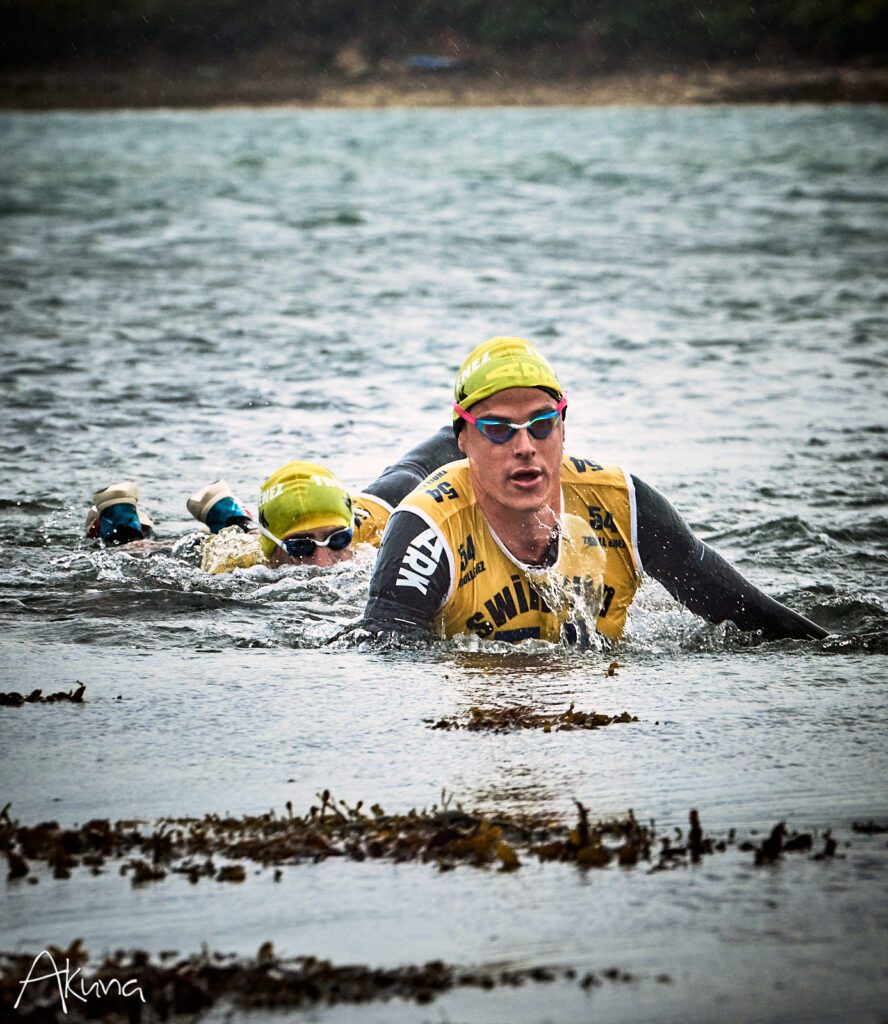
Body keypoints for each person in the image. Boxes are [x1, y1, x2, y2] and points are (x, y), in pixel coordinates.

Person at [361, 336, 828, 644]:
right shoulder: (427, 532)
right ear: (463, 441)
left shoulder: (623, 504)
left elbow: (753, 618)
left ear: (563, 429)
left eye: (541, 424)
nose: (525, 447)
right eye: (499, 430)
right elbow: (390, 664)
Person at [85, 427, 461, 572]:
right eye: (299, 548)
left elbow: (465, 424)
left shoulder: (385, 528)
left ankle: (227, 510)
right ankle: (118, 515)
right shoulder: (240, 560)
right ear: (271, 549)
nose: (323, 561)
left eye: (338, 541)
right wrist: (127, 549)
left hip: (370, 504)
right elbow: (147, 563)